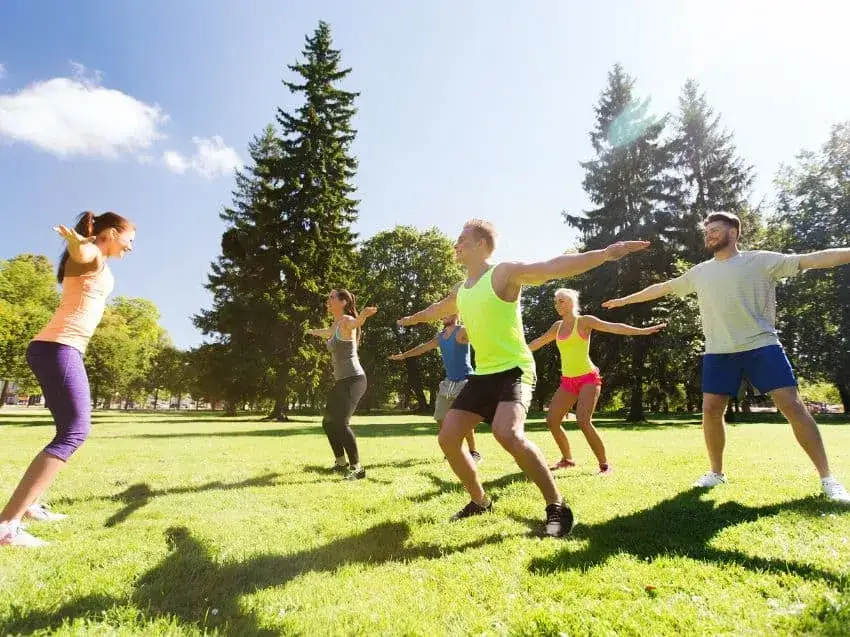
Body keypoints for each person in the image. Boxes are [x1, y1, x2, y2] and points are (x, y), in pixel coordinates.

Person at [398, 219, 649, 536]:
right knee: (448, 437)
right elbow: (436, 309)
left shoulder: (503, 274)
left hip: (514, 369)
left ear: (481, 245)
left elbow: (553, 266)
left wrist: (605, 253)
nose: (456, 244)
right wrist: (411, 319)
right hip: (483, 374)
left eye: (462, 239)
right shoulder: (461, 291)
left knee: (508, 434)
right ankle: (480, 501)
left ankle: (556, 504)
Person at [603, 211, 850, 502]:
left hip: (762, 346)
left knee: (793, 407)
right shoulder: (700, 272)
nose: (708, 235)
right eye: (706, 231)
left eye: (715, 230)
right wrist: (625, 300)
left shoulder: (760, 260)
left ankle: (828, 479)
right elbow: (664, 288)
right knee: (710, 410)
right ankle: (716, 473)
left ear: (734, 232)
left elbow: (813, 259)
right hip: (719, 352)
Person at [1, 211, 136, 547]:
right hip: (58, 348)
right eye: (129, 240)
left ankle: (27, 507)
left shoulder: (98, 260)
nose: (132, 248)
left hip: (58, 349)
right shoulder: (90, 256)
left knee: (69, 431)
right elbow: (84, 253)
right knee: (75, 432)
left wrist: (82, 244)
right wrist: (79, 243)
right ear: (111, 232)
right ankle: (6, 526)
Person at [528, 288, 665, 474]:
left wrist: (643, 331)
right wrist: (515, 353)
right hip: (568, 380)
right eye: (556, 301)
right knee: (552, 420)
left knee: (583, 421)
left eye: (562, 301)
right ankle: (567, 459)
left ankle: (604, 465)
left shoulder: (584, 322)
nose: (557, 305)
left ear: (572, 302)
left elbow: (613, 327)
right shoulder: (557, 327)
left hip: (588, 378)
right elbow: (538, 342)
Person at [389, 313, 481, 462]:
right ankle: (452, 450)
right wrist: (404, 356)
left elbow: (479, 334)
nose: (443, 314)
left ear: (456, 314)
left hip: (465, 382)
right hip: (448, 382)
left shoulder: (462, 330)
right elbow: (423, 348)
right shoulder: (440, 336)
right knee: (440, 417)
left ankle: (473, 452)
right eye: (442, 312)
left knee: (464, 420)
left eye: (447, 311)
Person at [307, 289, 376, 481]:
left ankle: (357, 468)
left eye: (332, 297)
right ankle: (340, 463)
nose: (328, 300)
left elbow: (356, 323)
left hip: (354, 379)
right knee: (328, 422)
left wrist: (363, 315)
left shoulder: (346, 321)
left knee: (340, 422)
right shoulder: (336, 324)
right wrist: (312, 331)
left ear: (343, 302)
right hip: (342, 381)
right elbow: (328, 333)